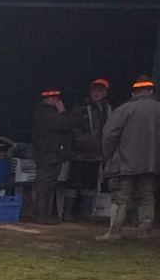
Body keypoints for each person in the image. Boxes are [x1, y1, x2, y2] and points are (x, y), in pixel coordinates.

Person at [100, 76, 159, 240]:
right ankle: (145, 232)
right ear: (151, 91)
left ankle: (114, 232)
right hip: (151, 164)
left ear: (133, 93)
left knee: (120, 198)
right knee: (147, 196)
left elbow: (109, 135)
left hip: (125, 163)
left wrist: (109, 156)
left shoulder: (124, 109)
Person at [66, 78, 113, 216]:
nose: (97, 93)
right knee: (73, 183)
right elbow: (72, 128)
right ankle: (68, 214)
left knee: (90, 184)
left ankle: (85, 214)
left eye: (100, 91)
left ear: (105, 93)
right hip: (79, 154)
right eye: (94, 90)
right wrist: (84, 143)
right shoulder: (80, 108)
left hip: (97, 154)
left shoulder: (108, 109)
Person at [29, 88, 72, 223]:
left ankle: (39, 214)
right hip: (49, 154)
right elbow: (64, 125)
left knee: (42, 184)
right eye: (56, 99)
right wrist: (63, 112)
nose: (58, 101)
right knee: (45, 185)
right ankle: (42, 216)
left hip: (45, 153)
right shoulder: (47, 113)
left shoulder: (41, 112)